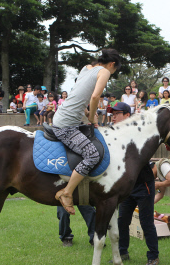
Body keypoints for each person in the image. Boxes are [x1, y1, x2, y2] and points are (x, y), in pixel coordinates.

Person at [52, 49, 121, 215]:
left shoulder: (86, 68)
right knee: (92, 154)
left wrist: (86, 113)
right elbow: (95, 97)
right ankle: (67, 193)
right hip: (66, 124)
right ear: (112, 64)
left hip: (63, 116)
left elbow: (78, 95)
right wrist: (92, 118)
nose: (112, 72)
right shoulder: (104, 72)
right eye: (115, 69)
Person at [113, 102, 160, 265]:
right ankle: (122, 252)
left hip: (143, 184)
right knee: (122, 220)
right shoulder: (115, 134)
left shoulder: (137, 132)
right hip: (128, 186)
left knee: (146, 222)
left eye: (117, 113)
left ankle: (153, 257)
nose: (113, 116)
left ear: (127, 115)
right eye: (112, 113)